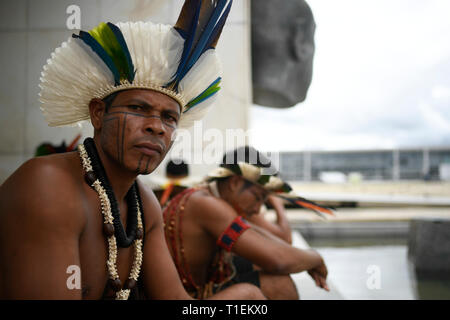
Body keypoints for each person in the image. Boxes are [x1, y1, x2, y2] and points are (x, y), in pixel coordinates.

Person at [0, 0, 265, 300]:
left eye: (169, 118)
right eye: (139, 108)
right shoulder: (48, 185)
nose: (157, 127)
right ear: (98, 113)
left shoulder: (144, 203)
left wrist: (247, 299)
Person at [163, 146, 332, 299]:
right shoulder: (208, 204)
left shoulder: (210, 196)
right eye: (258, 198)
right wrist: (315, 258)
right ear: (235, 183)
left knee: (267, 274)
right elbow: (277, 260)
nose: (258, 209)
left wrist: (306, 258)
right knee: (258, 291)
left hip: (198, 292)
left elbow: (267, 241)